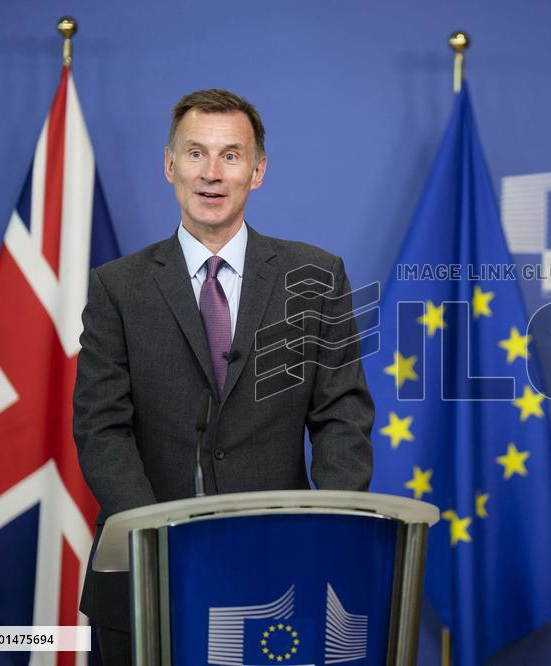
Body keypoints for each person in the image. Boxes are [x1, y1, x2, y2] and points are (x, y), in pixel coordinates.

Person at [72, 89, 374, 664]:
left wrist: (324, 533)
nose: (212, 174)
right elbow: (100, 428)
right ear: (169, 166)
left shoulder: (316, 275)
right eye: (195, 154)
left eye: (231, 156)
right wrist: (156, 539)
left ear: (257, 171)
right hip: (146, 573)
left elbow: (343, 418)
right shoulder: (117, 286)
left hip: (282, 570)